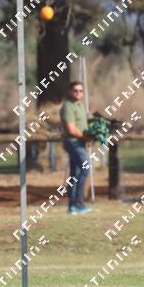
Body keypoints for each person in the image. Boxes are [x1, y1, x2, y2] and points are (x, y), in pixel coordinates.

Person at [60, 80, 92, 215]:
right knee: (86, 167)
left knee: (75, 173)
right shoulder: (68, 106)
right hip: (73, 142)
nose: (78, 93)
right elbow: (71, 129)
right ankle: (79, 202)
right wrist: (86, 137)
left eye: (80, 91)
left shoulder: (80, 105)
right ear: (70, 91)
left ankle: (72, 206)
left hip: (80, 143)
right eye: (75, 90)